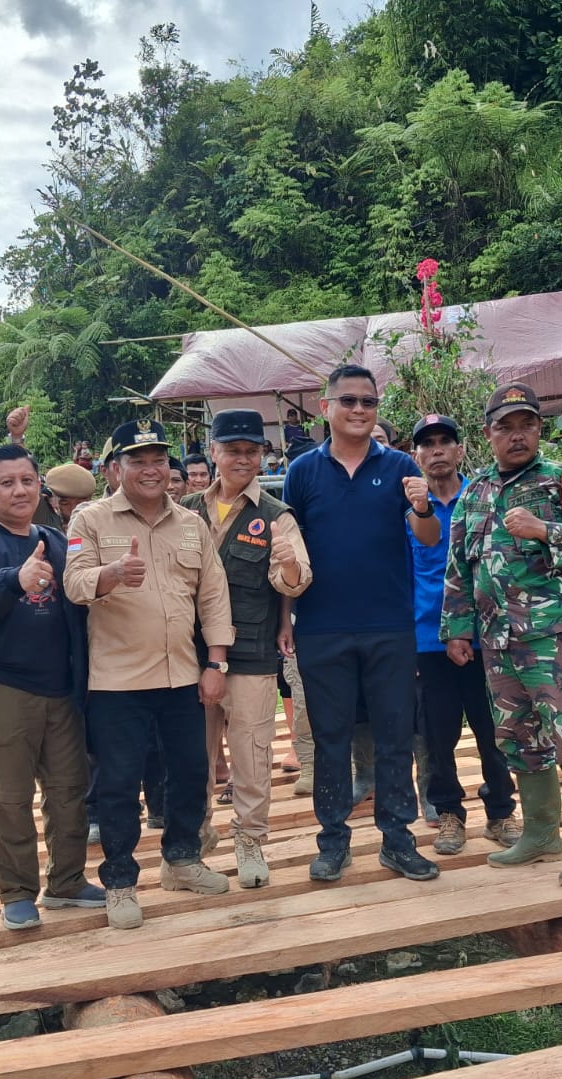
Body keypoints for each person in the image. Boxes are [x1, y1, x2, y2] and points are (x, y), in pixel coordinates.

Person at [442, 382, 562, 888]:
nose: (516, 436)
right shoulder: (474, 491)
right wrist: (456, 630)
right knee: (518, 738)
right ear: (488, 434)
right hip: (496, 641)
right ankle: (542, 835)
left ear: (539, 429)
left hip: (552, 635)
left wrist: (547, 531)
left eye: (526, 425)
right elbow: (457, 567)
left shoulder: (561, 479)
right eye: (506, 426)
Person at [63, 417, 235, 929]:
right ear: (115, 468)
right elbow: (74, 583)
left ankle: (181, 861)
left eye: (158, 459)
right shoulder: (90, 522)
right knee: (117, 785)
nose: (150, 469)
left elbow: (213, 595)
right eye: (137, 460)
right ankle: (119, 883)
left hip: (183, 674)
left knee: (190, 774)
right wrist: (109, 575)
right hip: (116, 683)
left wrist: (216, 663)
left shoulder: (191, 523)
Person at [283, 364, 442, 884]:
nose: (358, 410)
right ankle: (332, 841)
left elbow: (428, 536)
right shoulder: (302, 472)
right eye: (347, 401)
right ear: (325, 408)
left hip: (389, 626)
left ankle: (398, 840)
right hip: (321, 627)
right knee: (331, 737)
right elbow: (288, 551)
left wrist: (421, 506)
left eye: (367, 402)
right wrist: (286, 617)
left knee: (395, 734)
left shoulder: (399, 466)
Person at [0, 445, 102, 931]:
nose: (19, 490)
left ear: (41, 486)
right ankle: (16, 891)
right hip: (5, 688)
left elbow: (84, 593)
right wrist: (15, 578)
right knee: (9, 795)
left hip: (64, 688)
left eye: (27, 481)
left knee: (69, 790)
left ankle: (68, 881)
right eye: (6, 483)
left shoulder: (59, 541)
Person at [186, 409, 312, 887]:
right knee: (191, 752)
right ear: (214, 452)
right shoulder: (187, 510)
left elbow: (295, 579)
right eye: (233, 450)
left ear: (263, 455)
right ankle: (194, 835)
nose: (243, 459)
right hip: (190, 653)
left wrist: (289, 567)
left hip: (252, 649)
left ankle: (250, 841)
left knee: (252, 752)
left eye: (252, 451)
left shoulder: (276, 516)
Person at [407, 414, 519, 854]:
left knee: (493, 728)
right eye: (427, 444)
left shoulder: (485, 499)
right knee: (438, 733)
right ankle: (449, 813)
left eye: (444, 442)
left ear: (460, 450)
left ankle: (501, 812)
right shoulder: (411, 511)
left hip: (485, 635)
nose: (436, 450)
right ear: (415, 455)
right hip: (428, 638)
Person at [37, 463, 96, 530]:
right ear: (52, 501)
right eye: (65, 503)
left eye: (80, 504)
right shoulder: (47, 520)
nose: (73, 509)